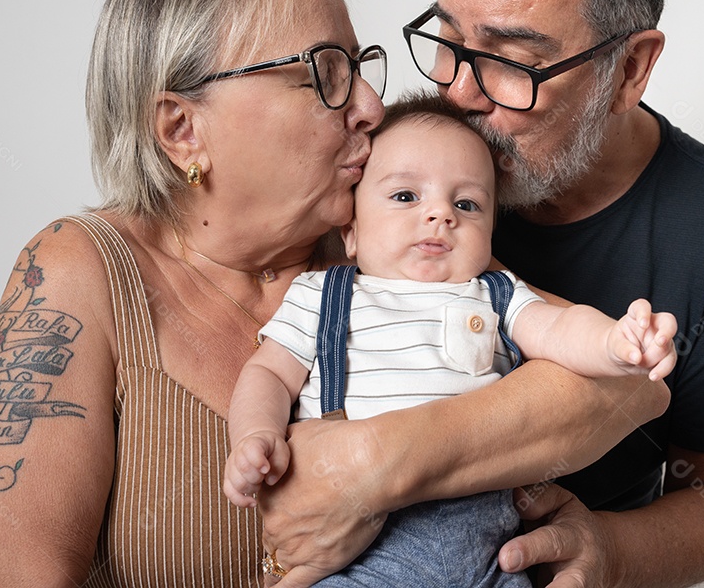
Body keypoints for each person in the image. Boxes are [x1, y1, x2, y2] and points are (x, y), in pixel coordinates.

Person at [0, 0, 670, 587]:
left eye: (360, 65)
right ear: (183, 129)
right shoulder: (77, 272)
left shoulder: (394, 240)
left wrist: (369, 467)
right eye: (325, 73)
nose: (372, 108)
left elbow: (630, 387)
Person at [399, 0, 704, 586]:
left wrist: (608, 551)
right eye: (449, 39)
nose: (457, 92)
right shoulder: (410, 164)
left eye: (512, 63)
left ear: (631, 67)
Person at [223, 97, 677, 586]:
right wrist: (255, 435)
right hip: (359, 553)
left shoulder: (497, 295)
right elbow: (268, 372)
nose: (440, 214)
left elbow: (558, 329)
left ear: (490, 235)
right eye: (405, 197)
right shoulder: (324, 295)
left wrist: (614, 342)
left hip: (488, 550)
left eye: (466, 203)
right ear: (350, 231)